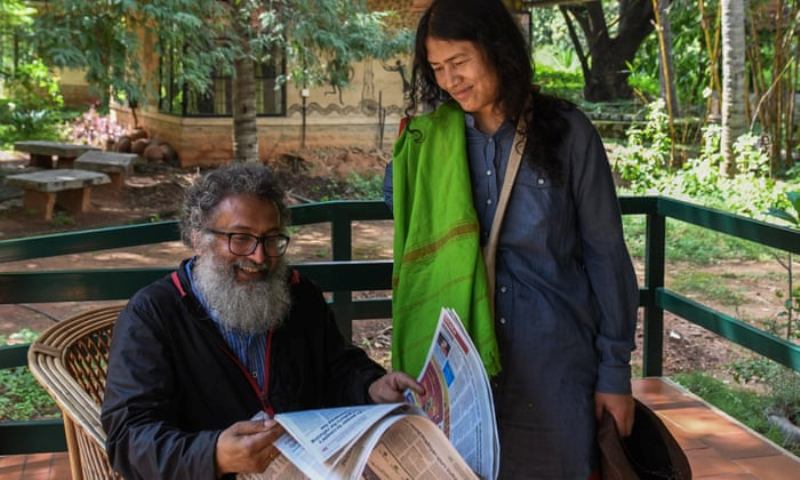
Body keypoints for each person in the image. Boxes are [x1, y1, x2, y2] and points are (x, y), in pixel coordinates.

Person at [384, 0, 639, 478]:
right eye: (437, 68)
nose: (449, 80)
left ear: (497, 50)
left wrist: (614, 373)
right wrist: (411, 151)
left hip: (553, 368)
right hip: (460, 375)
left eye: (459, 62)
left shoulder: (566, 133)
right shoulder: (432, 139)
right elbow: (407, 216)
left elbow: (607, 256)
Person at [101, 163, 422, 480]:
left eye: (271, 239)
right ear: (199, 239)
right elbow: (129, 438)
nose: (259, 257)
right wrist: (213, 455)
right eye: (241, 238)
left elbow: (336, 368)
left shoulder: (299, 295)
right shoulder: (153, 314)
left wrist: (371, 387)